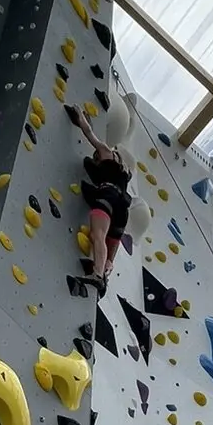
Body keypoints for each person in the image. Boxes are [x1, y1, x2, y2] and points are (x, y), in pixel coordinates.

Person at [65, 103, 132, 295]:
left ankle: (97, 275)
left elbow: (89, 134)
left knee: (97, 235)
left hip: (107, 196)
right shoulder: (124, 174)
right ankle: (106, 269)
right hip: (122, 209)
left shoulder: (106, 154)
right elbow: (116, 238)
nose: (96, 158)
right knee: (111, 246)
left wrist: (80, 116)